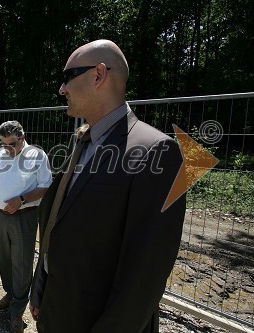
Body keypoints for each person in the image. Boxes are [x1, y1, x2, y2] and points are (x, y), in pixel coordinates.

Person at [29, 39, 186, 333]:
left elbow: (145, 273)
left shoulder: (158, 151)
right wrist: (42, 286)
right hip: (57, 309)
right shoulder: (82, 140)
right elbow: (57, 222)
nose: (62, 89)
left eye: (67, 77)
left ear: (98, 75)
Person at [0, 121, 52, 333]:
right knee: (3, 258)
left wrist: (21, 200)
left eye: (12, 144)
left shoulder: (38, 156)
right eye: (4, 144)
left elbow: (45, 187)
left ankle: (17, 311)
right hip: (1, 216)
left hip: (24, 216)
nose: (8, 149)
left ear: (23, 137)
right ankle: (10, 293)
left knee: (21, 263)